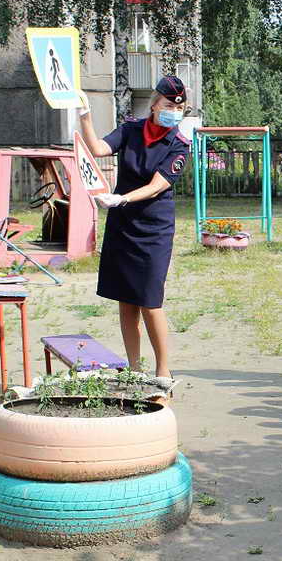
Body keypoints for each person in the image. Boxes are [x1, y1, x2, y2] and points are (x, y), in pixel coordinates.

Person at [76, 75, 191, 378]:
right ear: (155, 105)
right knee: (126, 300)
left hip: (154, 229)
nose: (174, 112)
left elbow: (156, 187)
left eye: (179, 108)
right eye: (168, 105)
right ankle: (134, 369)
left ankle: (163, 371)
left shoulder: (179, 145)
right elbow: (99, 148)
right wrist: (85, 115)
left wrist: (121, 198)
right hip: (123, 226)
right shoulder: (131, 130)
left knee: (150, 301)